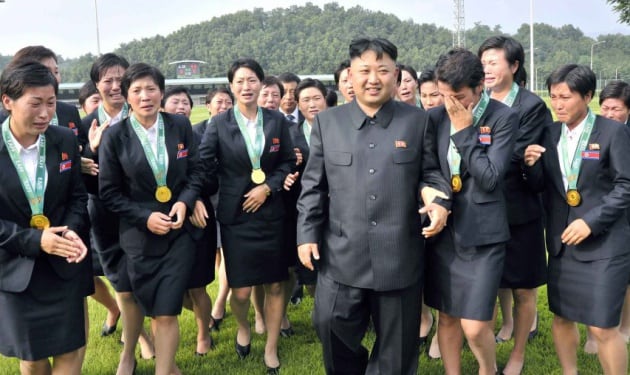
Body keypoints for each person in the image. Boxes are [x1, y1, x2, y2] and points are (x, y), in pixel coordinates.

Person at [297, 37, 450, 375]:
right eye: (364, 70)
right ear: (349, 76)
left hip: (399, 254)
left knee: (396, 352)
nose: (373, 78)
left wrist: (437, 201)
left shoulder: (417, 121)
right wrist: (306, 234)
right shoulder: (328, 122)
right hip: (341, 252)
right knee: (330, 325)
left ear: (395, 76)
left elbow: (432, 175)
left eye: (383, 70)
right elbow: (313, 186)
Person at [524, 64, 630, 375]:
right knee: (562, 317)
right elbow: (540, 187)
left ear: (587, 96)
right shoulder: (550, 132)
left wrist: (592, 222)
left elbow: (626, 185)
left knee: (601, 327)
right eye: (554, 97)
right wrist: (531, 166)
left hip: (605, 246)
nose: (558, 104)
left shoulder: (613, 132)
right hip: (563, 244)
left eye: (566, 97)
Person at [99, 63, 202, 375]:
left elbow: (197, 172)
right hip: (139, 239)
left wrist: (185, 202)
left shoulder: (179, 126)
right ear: (127, 97)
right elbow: (109, 193)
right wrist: (145, 218)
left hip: (177, 233)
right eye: (137, 90)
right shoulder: (115, 136)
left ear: (161, 91)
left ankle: (164, 370)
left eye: (152, 88)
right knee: (151, 308)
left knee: (167, 311)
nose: (145, 96)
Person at [197, 58, 295, 374]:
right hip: (236, 216)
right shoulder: (219, 123)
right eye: (240, 81)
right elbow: (204, 165)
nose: (246, 86)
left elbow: (286, 163)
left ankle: (271, 348)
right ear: (231, 86)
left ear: (261, 84)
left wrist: (267, 187)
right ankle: (243, 325)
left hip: (270, 213)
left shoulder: (276, 121)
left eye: (252, 80)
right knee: (239, 290)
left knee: (277, 284)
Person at [424, 48, 517, 375]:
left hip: (483, 236)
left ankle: (487, 368)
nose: (450, 104)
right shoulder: (434, 118)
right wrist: (438, 202)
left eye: (458, 97)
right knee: (447, 317)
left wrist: (465, 131)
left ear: (480, 87)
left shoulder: (503, 117)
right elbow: (429, 170)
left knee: (476, 325)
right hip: (444, 233)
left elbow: (490, 178)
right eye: (444, 95)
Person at [0, 60, 91, 375]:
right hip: (15, 270)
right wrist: (38, 240)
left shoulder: (63, 140)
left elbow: (77, 197)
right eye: (34, 103)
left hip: (62, 266)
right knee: (33, 358)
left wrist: (71, 233)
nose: (44, 113)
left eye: (51, 103)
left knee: (69, 350)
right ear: (7, 101)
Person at [479, 35, 551, 375]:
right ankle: (488, 360)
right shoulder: (476, 101)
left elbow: (514, 154)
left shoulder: (532, 106)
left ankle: (519, 353)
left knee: (524, 288)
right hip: (481, 210)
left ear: (515, 65)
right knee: (487, 288)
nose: (487, 68)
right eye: (483, 62)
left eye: (494, 61)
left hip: (520, 211)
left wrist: (483, 154)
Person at [81, 53, 156, 362]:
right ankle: (134, 347)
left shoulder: (148, 117)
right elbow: (76, 178)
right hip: (106, 216)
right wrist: (91, 149)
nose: (114, 86)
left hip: (145, 215)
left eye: (119, 79)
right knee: (122, 285)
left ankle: (149, 337)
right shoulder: (84, 124)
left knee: (145, 282)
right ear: (96, 85)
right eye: (106, 81)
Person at [162, 86, 218, 357]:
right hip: (162, 218)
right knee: (172, 286)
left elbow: (207, 176)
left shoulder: (197, 136)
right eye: (176, 101)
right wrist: (188, 197)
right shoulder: (151, 137)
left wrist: (193, 198)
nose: (182, 106)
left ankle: (204, 334)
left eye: (186, 102)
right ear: (162, 107)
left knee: (197, 284)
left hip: (196, 219)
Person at [192, 87, 234, 330]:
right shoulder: (195, 132)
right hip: (206, 201)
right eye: (219, 102)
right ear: (207, 105)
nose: (224, 106)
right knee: (217, 254)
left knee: (227, 251)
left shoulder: (235, 129)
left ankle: (218, 305)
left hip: (231, 198)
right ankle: (221, 293)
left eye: (229, 102)